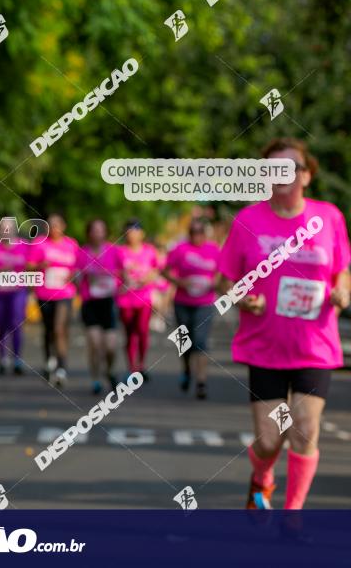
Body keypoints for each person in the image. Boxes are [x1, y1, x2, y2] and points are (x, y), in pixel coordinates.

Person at [217, 138, 350, 510]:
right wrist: (242, 295)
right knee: (269, 440)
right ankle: (261, 479)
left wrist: (342, 292)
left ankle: (292, 518)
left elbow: (342, 272)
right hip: (265, 346)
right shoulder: (248, 220)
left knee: (304, 430)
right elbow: (225, 278)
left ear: (306, 175)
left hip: (315, 345)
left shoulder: (330, 218)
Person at [163, 217, 220, 399]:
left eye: (200, 232)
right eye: (193, 233)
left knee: (200, 342)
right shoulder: (180, 249)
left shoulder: (213, 250)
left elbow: (222, 273)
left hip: (205, 302)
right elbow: (164, 271)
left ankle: (201, 381)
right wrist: (180, 282)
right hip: (182, 302)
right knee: (185, 342)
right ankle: (186, 369)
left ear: (205, 234)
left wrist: (214, 283)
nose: (196, 236)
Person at [27, 212, 78, 387]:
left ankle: (62, 367)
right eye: (50, 225)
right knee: (49, 329)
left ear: (63, 226)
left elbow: (77, 268)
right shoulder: (40, 243)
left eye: (57, 224)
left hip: (65, 293)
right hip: (45, 293)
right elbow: (29, 266)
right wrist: (41, 266)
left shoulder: (71, 244)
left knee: (59, 328)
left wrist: (72, 275)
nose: (54, 228)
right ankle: (50, 360)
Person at [76, 219, 121, 394]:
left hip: (108, 302)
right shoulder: (82, 252)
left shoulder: (114, 250)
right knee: (94, 343)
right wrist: (83, 278)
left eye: (101, 230)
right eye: (94, 230)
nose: (97, 233)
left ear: (105, 232)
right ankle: (95, 378)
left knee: (110, 346)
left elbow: (124, 272)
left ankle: (109, 370)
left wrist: (111, 276)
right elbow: (76, 276)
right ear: (89, 233)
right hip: (90, 302)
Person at [0, 217, 29, 375]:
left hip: (17, 291)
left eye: (9, 228)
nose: (6, 231)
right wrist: (0, 271)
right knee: (1, 325)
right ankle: (3, 359)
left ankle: (17, 359)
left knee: (16, 322)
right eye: (3, 228)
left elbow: (31, 266)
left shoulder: (24, 245)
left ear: (14, 229)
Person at [116, 219, 159, 381]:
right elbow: (115, 271)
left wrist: (147, 279)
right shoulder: (120, 252)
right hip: (125, 299)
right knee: (129, 333)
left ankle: (141, 365)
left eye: (135, 231)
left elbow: (155, 270)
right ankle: (131, 367)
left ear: (142, 234)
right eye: (129, 231)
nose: (132, 235)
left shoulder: (149, 251)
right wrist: (123, 278)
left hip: (144, 297)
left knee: (142, 331)